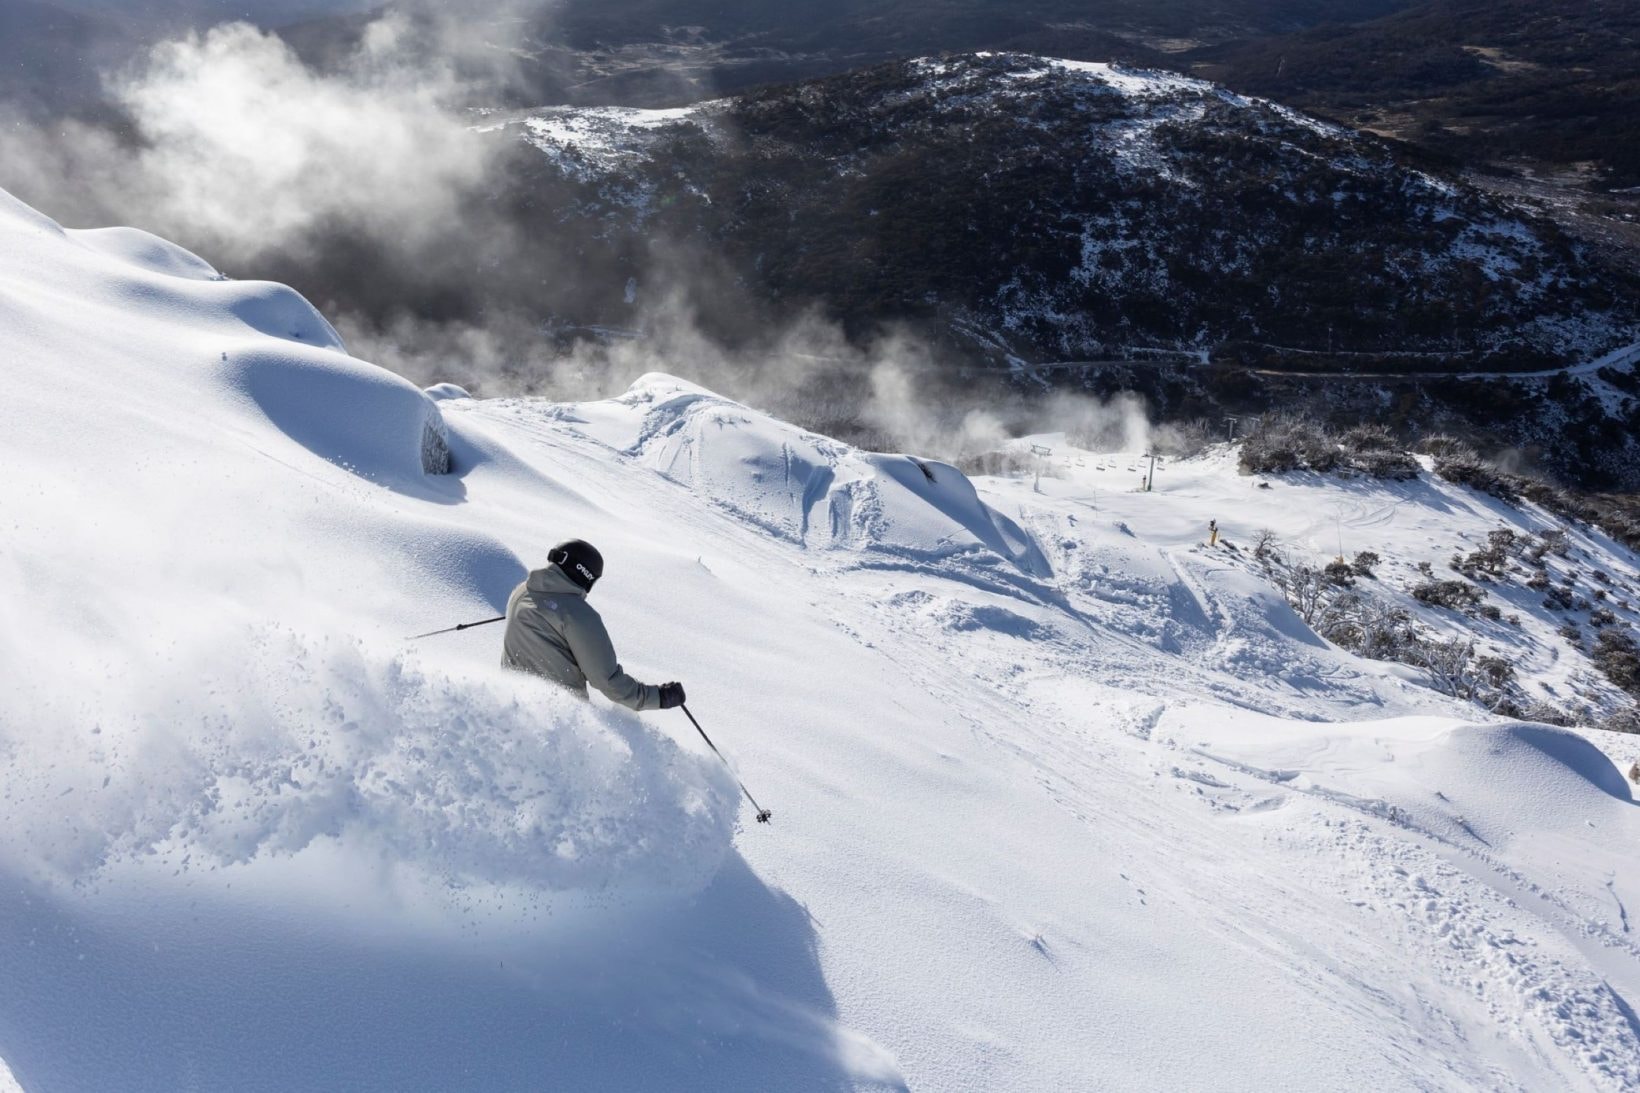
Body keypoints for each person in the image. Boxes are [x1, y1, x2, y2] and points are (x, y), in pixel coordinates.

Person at [502, 539, 685, 711]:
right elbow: (607, 680)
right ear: (586, 576)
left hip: (511, 702)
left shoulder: (522, 591)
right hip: (558, 715)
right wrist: (659, 697)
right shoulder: (578, 615)